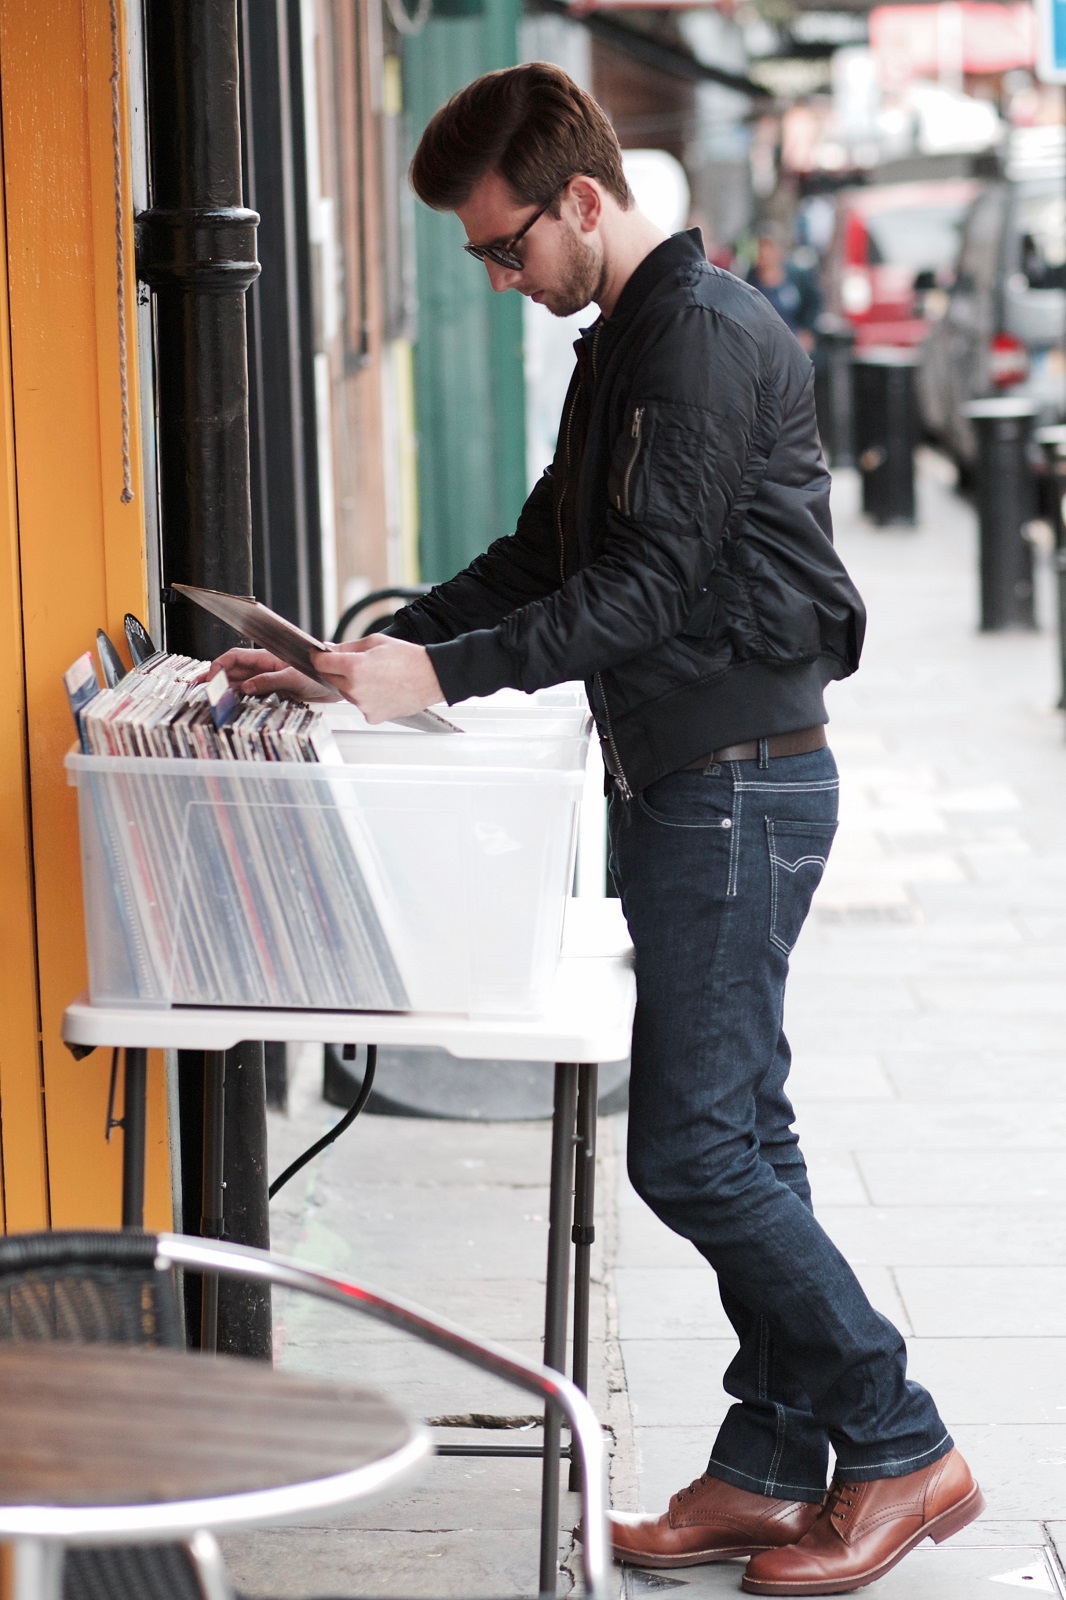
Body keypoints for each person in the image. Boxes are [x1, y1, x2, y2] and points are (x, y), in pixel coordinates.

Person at [211, 63, 984, 1595]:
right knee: (742, 1130)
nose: (501, 279)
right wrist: (344, 655)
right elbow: (538, 553)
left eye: (507, 248)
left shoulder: (693, 340)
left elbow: (648, 593)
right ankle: (770, 1467)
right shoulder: (622, 343)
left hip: (740, 777)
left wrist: (429, 673)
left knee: (691, 1151)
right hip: (695, 775)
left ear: (580, 197)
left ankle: (898, 1442)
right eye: (479, 260)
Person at [746, 222, 821, 355]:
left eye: (769, 247)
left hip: (794, 344)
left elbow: (814, 302)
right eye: (761, 247)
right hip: (764, 347)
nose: (764, 252)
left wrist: (807, 331)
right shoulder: (749, 280)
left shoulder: (796, 276)